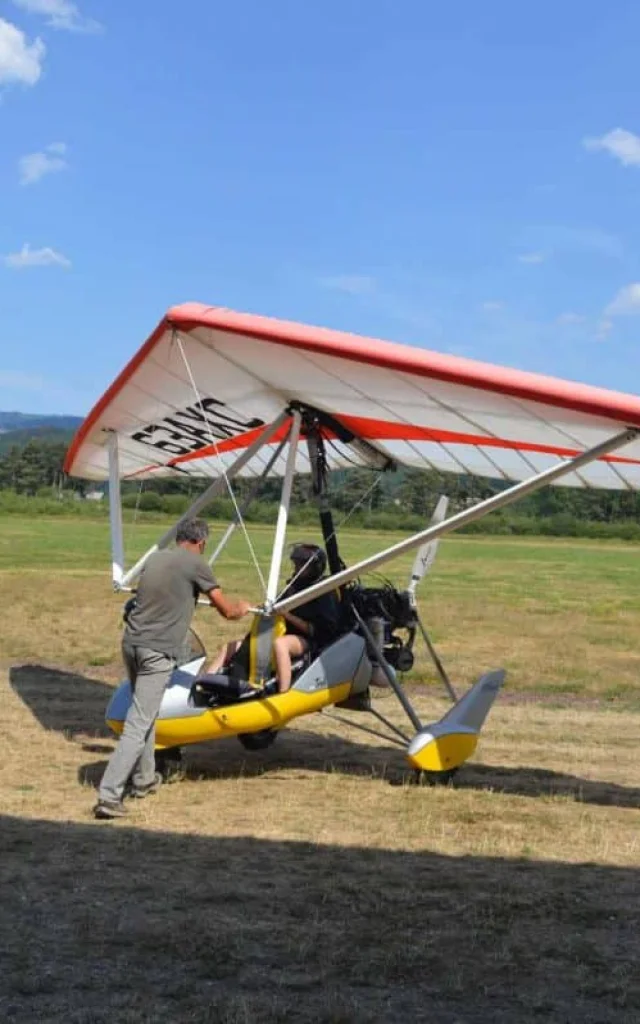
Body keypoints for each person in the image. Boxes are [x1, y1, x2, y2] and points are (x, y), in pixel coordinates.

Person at [93, 517, 252, 820]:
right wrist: (241, 608)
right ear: (201, 542)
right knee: (139, 721)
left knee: (146, 711)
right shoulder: (196, 564)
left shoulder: (155, 558)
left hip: (131, 644)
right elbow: (226, 611)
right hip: (157, 652)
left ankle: (144, 780)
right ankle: (109, 795)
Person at [204, 543, 340, 693]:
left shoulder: (323, 591)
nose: (296, 568)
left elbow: (319, 630)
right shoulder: (294, 586)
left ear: (314, 568)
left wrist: (287, 615)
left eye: (301, 565)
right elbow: (275, 607)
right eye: (296, 564)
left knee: (280, 644)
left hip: (308, 638)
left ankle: (283, 692)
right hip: (282, 631)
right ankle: (205, 683)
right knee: (230, 647)